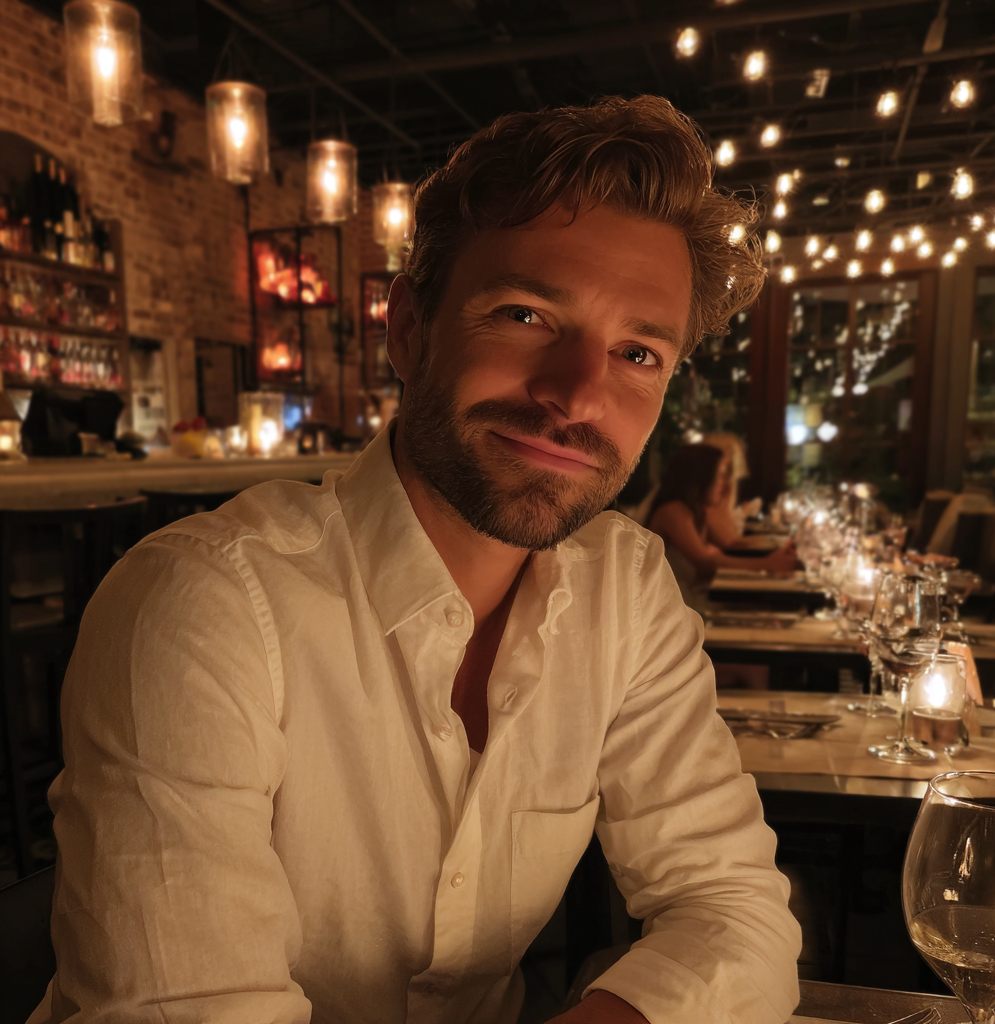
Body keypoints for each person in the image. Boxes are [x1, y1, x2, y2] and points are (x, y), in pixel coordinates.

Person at [31, 96, 800, 1024]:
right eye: (524, 313)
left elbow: (734, 905)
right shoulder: (203, 605)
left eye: (639, 351)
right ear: (407, 329)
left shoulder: (626, 592)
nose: (578, 394)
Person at [647, 443, 797, 612]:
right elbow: (705, 563)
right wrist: (768, 564)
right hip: (676, 609)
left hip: (691, 601)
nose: (725, 484)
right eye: (720, 476)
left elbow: (732, 546)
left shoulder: (695, 511)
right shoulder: (673, 511)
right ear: (700, 477)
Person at [703, 431, 762, 549]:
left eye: (727, 471)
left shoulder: (715, 503)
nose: (724, 481)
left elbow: (734, 541)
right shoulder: (679, 509)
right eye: (721, 473)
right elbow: (732, 545)